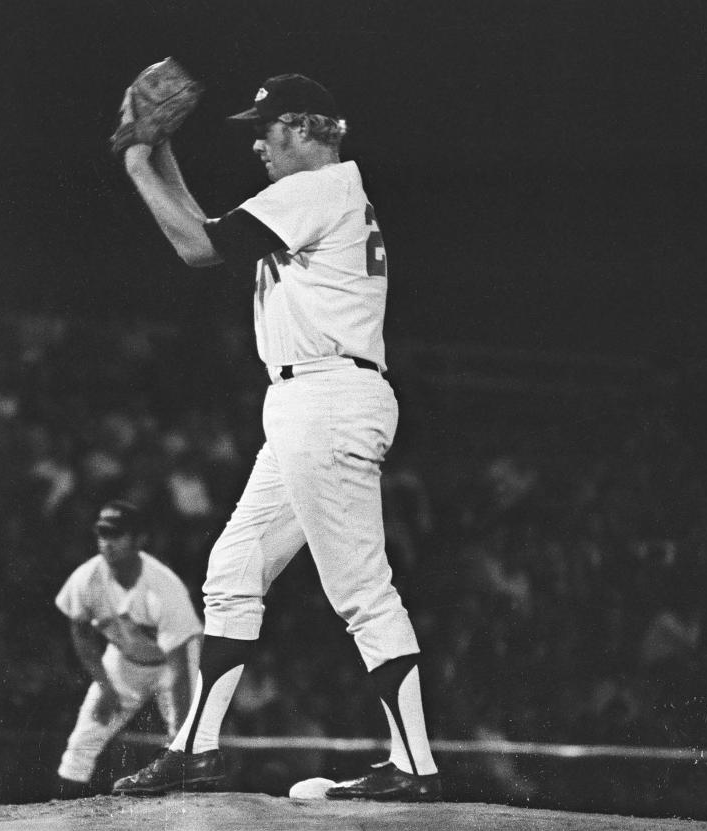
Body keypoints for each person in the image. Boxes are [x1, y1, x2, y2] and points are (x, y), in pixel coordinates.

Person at [110, 73, 441, 801]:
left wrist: (138, 161)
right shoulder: (327, 193)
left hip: (326, 396)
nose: (257, 142)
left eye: (266, 129)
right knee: (233, 569)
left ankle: (415, 761)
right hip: (313, 398)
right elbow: (208, 226)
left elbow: (196, 248)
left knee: (361, 588)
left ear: (303, 126)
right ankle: (194, 748)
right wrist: (157, 148)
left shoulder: (317, 187)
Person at [55, 500, 202, 796]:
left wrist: (182, 727)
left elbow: (179, 669)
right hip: (123, 661)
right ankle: (64, 819)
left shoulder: (163, 586)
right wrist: (105, 687)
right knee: (81, 744)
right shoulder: (87, 578)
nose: (107, 543)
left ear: (139, 539)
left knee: (187, 746)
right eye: (103, 534)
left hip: (174, 663)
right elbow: (81, 633)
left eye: (117, 535)